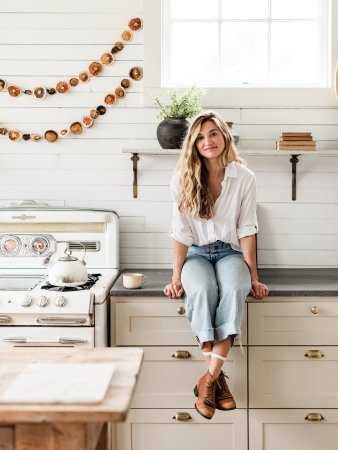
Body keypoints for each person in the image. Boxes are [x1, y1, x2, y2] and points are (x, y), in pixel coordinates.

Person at [163, 110, 269, 420]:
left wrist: (254, 276)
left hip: (230, 252)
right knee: (202, 291)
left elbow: (248, 228)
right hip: (195, 253)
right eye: (199, 137)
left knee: (236, 288)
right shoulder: (182, 178)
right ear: (193, 144)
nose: (207, 141)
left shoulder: (244, 177)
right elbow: (180, 230)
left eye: (212, 134)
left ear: (224, 136)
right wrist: (175, 275)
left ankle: (206, 380)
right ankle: (218, 379)